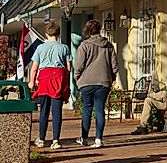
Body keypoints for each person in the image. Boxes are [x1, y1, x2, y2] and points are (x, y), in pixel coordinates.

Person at [73, 19, 118, 148]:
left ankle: (85, 138)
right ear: (99, 29)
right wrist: (112, 78)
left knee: (87, 109)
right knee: (100, 109)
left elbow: (79, 66)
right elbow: (115, 66)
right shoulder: (108, 45)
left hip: (86, 82)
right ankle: (98, 139)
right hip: (104, 82)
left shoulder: (84, 45)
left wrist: (77, 79)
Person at [28, 21, 71, 149]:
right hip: (58, 80)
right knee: (57, 112)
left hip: (44, 80)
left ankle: (41, 139)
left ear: (46, 34)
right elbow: (68, 67)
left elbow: (34, 67)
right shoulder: (64, 47)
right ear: (58, 34)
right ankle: (55, 140)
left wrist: (31, 81)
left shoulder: (40, 48)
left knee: (44, 111)